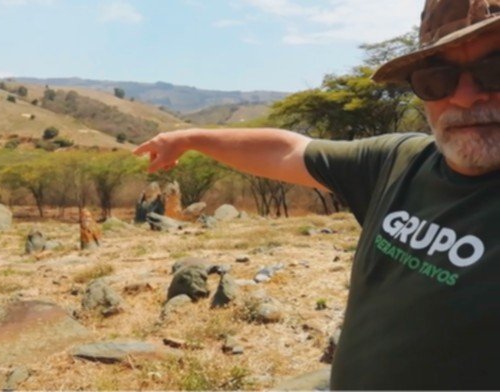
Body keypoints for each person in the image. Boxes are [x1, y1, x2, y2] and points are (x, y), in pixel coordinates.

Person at [134, 0, 500, 389]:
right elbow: (289, 151)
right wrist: (189, 138)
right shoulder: (398, 161)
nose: (464, 96)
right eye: (437, 79)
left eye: (495, 70)